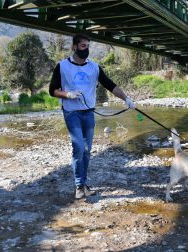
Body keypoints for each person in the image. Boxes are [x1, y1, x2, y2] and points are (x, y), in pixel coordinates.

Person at [49, 33, 136, 199]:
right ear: (74, 47)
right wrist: (68, 95)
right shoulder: (62, 66)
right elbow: (52, 90)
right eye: (83, 46)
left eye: (87, 46)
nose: (86, 49)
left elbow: (110, 85)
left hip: (89, 113)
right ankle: (79, 186)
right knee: (79, 147)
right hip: (71, 112)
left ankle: (83, 183)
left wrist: (127, 99)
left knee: (87, 150)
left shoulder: (94, 67)